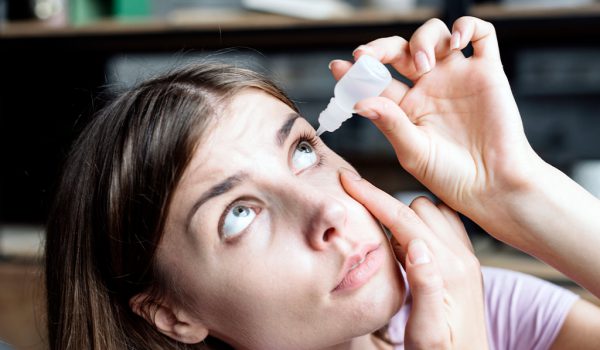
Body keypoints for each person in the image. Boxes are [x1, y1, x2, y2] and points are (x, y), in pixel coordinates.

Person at [44, 17, 600, 350]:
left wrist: (514, 187)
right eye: (239, 214)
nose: (327, 213)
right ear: (172, 315)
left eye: (304, 150)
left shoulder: (473, 301)